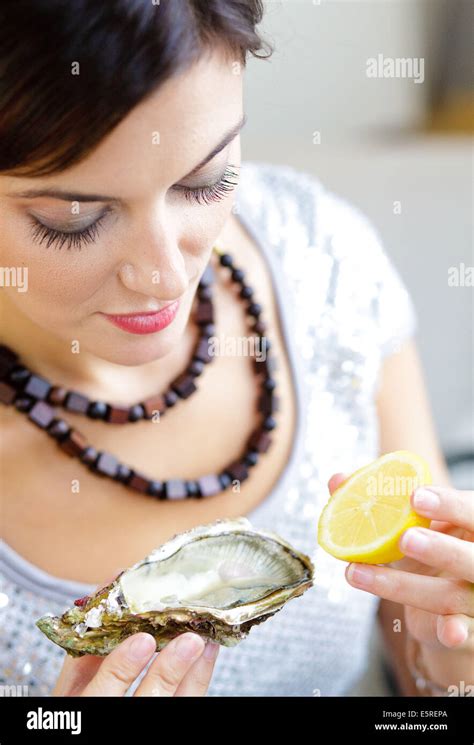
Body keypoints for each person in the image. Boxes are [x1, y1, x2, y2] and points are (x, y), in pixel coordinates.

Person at [0, 0, 472, 698]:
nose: (163, 277)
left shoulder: (324, 264)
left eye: (205, 179)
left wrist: (451, 665)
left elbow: (419, 639)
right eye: (74, 220)